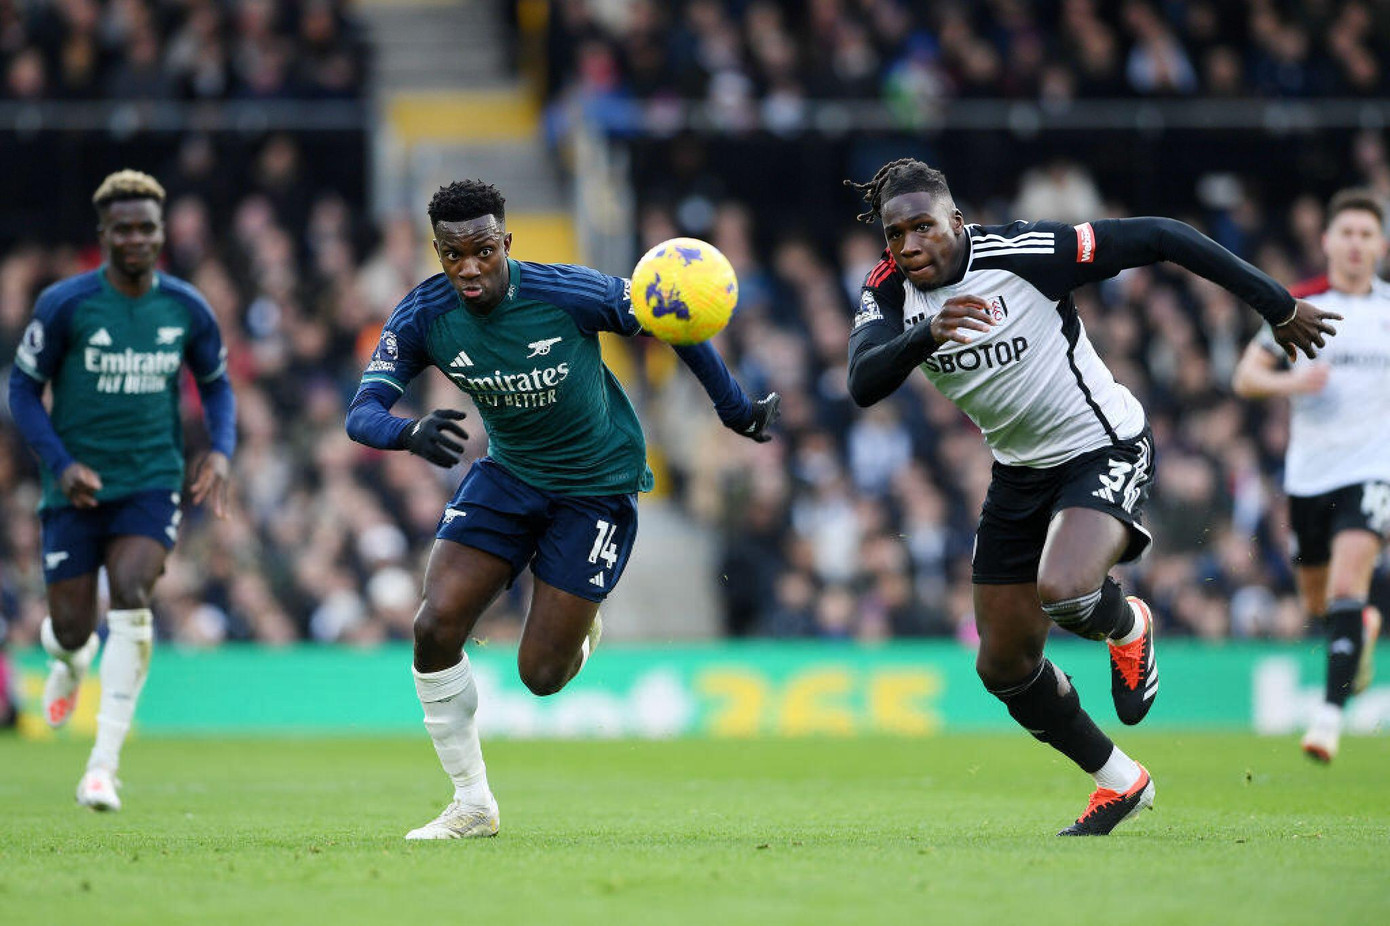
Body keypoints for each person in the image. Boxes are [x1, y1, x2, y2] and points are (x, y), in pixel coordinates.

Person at [843, 158, 1337, 835]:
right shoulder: (888, 289)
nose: (908, 247)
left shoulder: (1026, 253)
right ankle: (1120, 781)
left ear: (955, 221)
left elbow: (1162, 234)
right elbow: (863, 381)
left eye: (923, 227)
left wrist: (1275, 304)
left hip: (1102, 444)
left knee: (1067, 589)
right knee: (1003, 665)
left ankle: (1128, 624)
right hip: (1018, 471)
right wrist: (923, 334)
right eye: (894, 235)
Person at [345, 179, 779, 840]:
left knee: (540, 675)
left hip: (597, 486)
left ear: (507, 244)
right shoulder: (422, 314)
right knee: (434, 627)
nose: (469, 267)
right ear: (437, 252)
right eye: (452, 254)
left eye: (483, 250)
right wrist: (406, 432)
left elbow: (672, 317)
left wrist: (734, 408)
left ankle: (581, 624)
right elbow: (362, 412)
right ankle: (472, 804)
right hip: (510, 476)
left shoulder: (567, 292)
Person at [8, 170, 236, 810]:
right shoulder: (65, 305)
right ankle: (67, 659)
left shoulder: (186, 307)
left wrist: (219, 450)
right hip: (75, 489)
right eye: (124, 229)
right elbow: (21, 390)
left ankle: (102, 766)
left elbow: (217, 384)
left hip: (150, 481)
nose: (137, 239)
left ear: (162, 234)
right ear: (104, 234)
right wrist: (59, 463)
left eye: (147, 228)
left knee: (133, 592)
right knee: (72, 627)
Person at [1233, 188, 1388, 763]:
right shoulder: (1299, 307)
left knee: (1348, 585)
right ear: (1326, 242)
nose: (1354, 244)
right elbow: (1246, 377)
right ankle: (1362, 624)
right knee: (1320, 604)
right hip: (1308, 480)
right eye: (1345, 233)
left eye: (1365, 234)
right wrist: (1290, 383)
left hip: (1373, 474)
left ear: (1381, 245)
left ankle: (1327, 720)